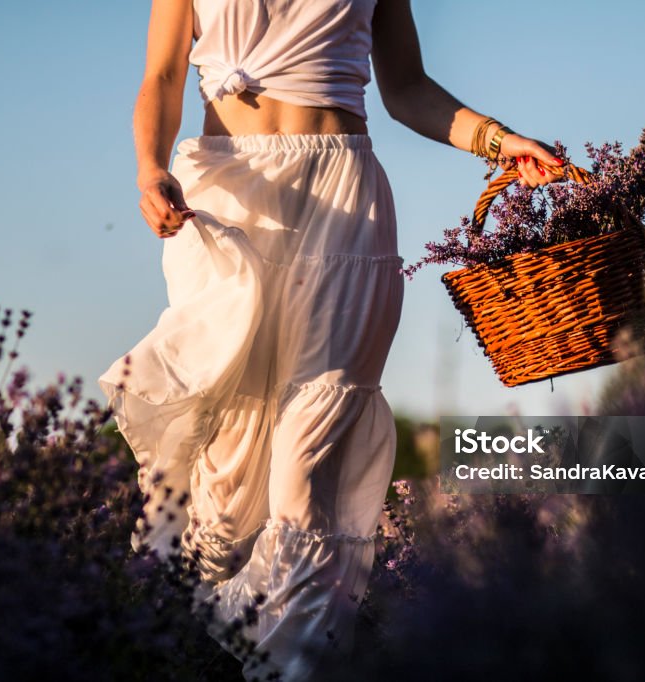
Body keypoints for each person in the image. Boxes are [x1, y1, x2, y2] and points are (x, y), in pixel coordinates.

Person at [99, 1, 563, 679]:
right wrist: (148, 168)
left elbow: (405, 88)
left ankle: (293, 669)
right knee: (224, 489)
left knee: (304, 465)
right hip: (228, 198)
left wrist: (499, 139)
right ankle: (182, 649)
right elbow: (164, 75)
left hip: (343, 201)